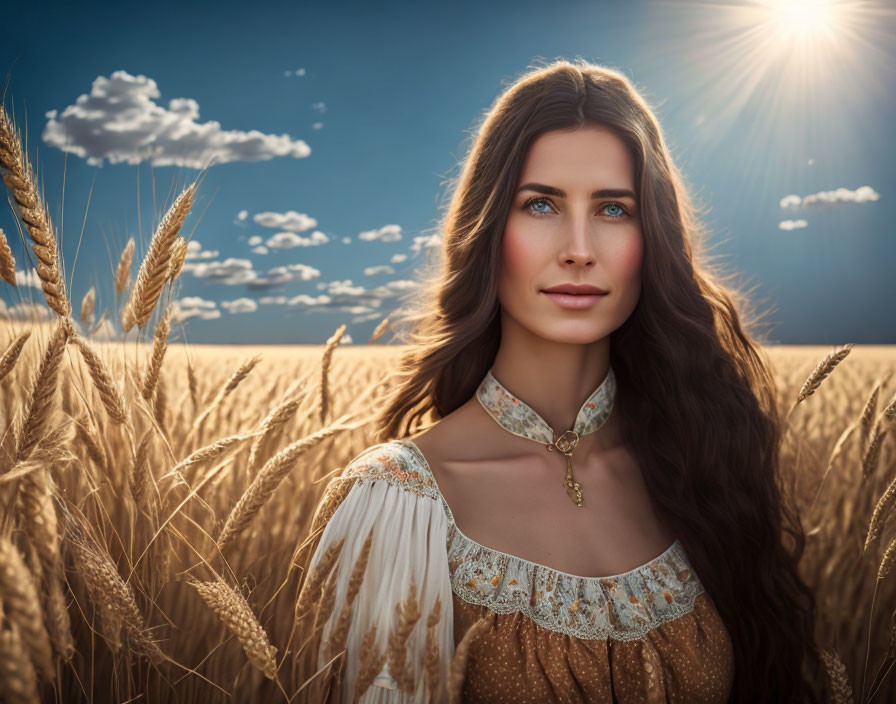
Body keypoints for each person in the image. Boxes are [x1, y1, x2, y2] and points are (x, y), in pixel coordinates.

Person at [292, 59, 828, 703]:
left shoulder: (703, 462)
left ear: (651, 237)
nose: (578, 247)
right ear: (490, 229)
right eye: (541, 204)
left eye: (613, 209)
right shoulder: (401, 505)